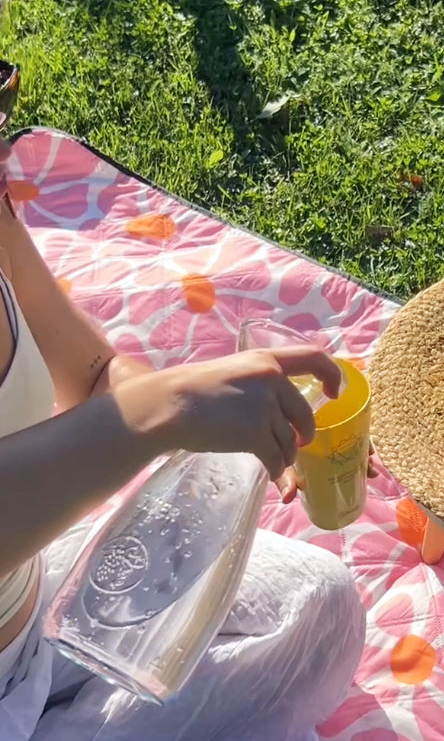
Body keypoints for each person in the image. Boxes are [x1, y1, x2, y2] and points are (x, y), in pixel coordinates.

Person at [0, 131, 366, 740]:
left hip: (33, 610)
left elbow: (93, 376)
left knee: (316, 607)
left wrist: (235, 410)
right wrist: (165, 411)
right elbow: (141, 414)